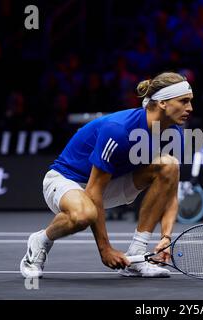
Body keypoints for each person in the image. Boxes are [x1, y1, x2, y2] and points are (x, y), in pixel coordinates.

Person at [20, 72, 193, 278]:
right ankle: (41, 241)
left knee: (169, 166)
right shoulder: (119, 130)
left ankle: (136, 256)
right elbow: (94, 192)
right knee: (84, 215)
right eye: (183, 101)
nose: (190, 108)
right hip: (67, 181)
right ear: (163, 103)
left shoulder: (174, 134)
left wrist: (166, 237)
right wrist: (105, 249)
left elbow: (170, 192)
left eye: (190, 101)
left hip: (112, 182)